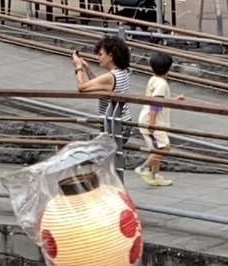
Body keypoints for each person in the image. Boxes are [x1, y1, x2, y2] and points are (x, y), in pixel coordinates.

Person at [134, 52, 184, 187]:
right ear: (169, 68)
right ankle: (143, 169)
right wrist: (152, 123)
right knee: (164, 147)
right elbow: (155, 104)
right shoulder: (161, 83)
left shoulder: (154, 79)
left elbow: (158, 99)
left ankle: (155, 175)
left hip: (150, 120)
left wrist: (173, 100)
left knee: (156, 149)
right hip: (153, 121)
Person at [72, 37, 131, 136]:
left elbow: (82, 87)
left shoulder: (111, 77)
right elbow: (99, 85)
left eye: (100, 54)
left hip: (114, 124)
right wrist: (87, 69)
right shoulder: (122, 71)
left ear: (110, 56)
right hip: (121, 122)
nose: (97, 58)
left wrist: (78, 68)